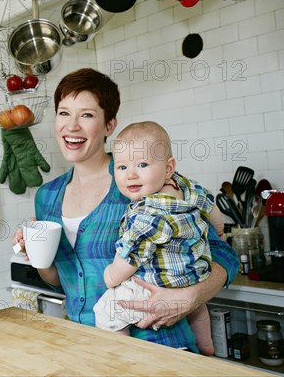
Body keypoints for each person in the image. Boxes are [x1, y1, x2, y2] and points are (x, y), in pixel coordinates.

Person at [13, 68, 239, 353]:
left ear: (109, 126)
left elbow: (225, 255)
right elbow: (62, 281)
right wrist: (36, 253)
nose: (72, 126)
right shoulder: (47, 197)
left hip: (160, 347)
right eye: (63, 113)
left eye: (87, 115)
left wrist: (188, 298)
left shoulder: (140, 181)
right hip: (86, 350)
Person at [93, 121, 224, 356]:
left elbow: (131, 256)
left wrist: (111, 276)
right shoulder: (186, 187)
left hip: (158, 285)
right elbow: (211, 208)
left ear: (168, 167)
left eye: (142, 164)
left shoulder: (147, 214)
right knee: (198, 307)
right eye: (122, 167)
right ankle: (206, 346)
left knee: (107, 312)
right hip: (194, 274)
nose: (131, 174)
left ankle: (123, 357)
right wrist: (220, 230)